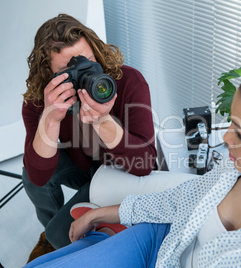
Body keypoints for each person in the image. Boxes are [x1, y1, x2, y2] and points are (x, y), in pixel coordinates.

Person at [25, 38, 241, 267]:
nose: (226, 141)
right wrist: (106, 212)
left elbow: (144, 161)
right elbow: (188, 196)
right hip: (162, 241)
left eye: (240, 133)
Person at [21, 14, 157, 260]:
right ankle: (59, 234)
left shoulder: (127, 80)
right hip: (83, 165)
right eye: (68, 70)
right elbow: (38, 177)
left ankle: (76, 233)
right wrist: (51, 119)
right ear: (48, 74)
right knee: (30, 173)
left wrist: (103, 121)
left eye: (90, 60)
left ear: (97, 50)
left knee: (60, 234)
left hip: (121, 169)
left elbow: (146, 164)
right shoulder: (39, 101)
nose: (85, 71)